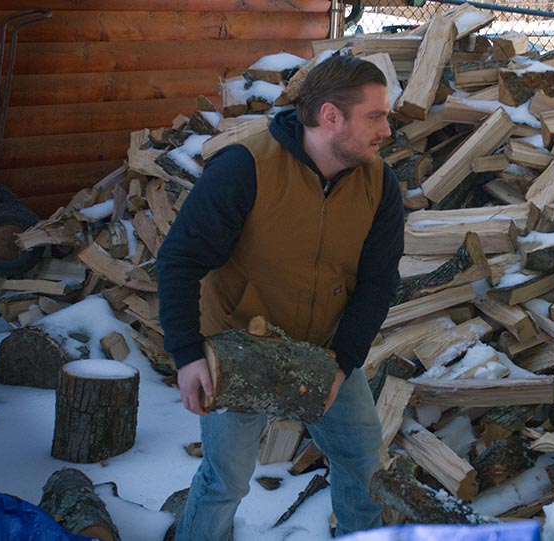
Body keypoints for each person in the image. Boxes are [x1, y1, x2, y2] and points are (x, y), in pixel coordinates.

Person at [156, 55, 405, 540]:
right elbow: (179, 260)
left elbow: (379, 282)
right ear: (331, 116)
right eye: (376, 116)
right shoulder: (244, 169)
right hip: (239, 347)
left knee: (362, 461)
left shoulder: (379, 183)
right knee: (225, 480)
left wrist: (341, 361)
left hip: (325, 346)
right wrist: (187, 354)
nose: (388, 131)